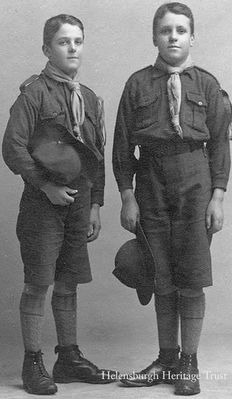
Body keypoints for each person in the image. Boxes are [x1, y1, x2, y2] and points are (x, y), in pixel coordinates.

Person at [112, 2, 230, 396]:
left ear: (192, 36)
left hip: (195, 181)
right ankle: (166, 358)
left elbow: (219, 149)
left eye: (181, 30)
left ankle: (189, 365)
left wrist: (218, 196)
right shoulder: (137, 84)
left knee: (191, 275)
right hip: (151, 182)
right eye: (166, 30)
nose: (174, 36)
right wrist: (128, 197)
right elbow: (122, 147)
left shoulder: (208, 85)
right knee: (161, 274)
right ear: (154, 38)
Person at [2, 14, 115, 395]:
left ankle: (67, 358)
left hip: (79, 205)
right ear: (47, 49)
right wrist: (45, 185)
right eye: (64, 42)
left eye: (78, 41)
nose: (72, 48)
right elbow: (13, 147)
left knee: (68, 283)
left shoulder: (90, 99)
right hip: (42, 205)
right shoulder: (33, 94)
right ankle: (33, 361)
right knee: (38, 283)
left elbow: (94, 155)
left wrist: (96, 205)